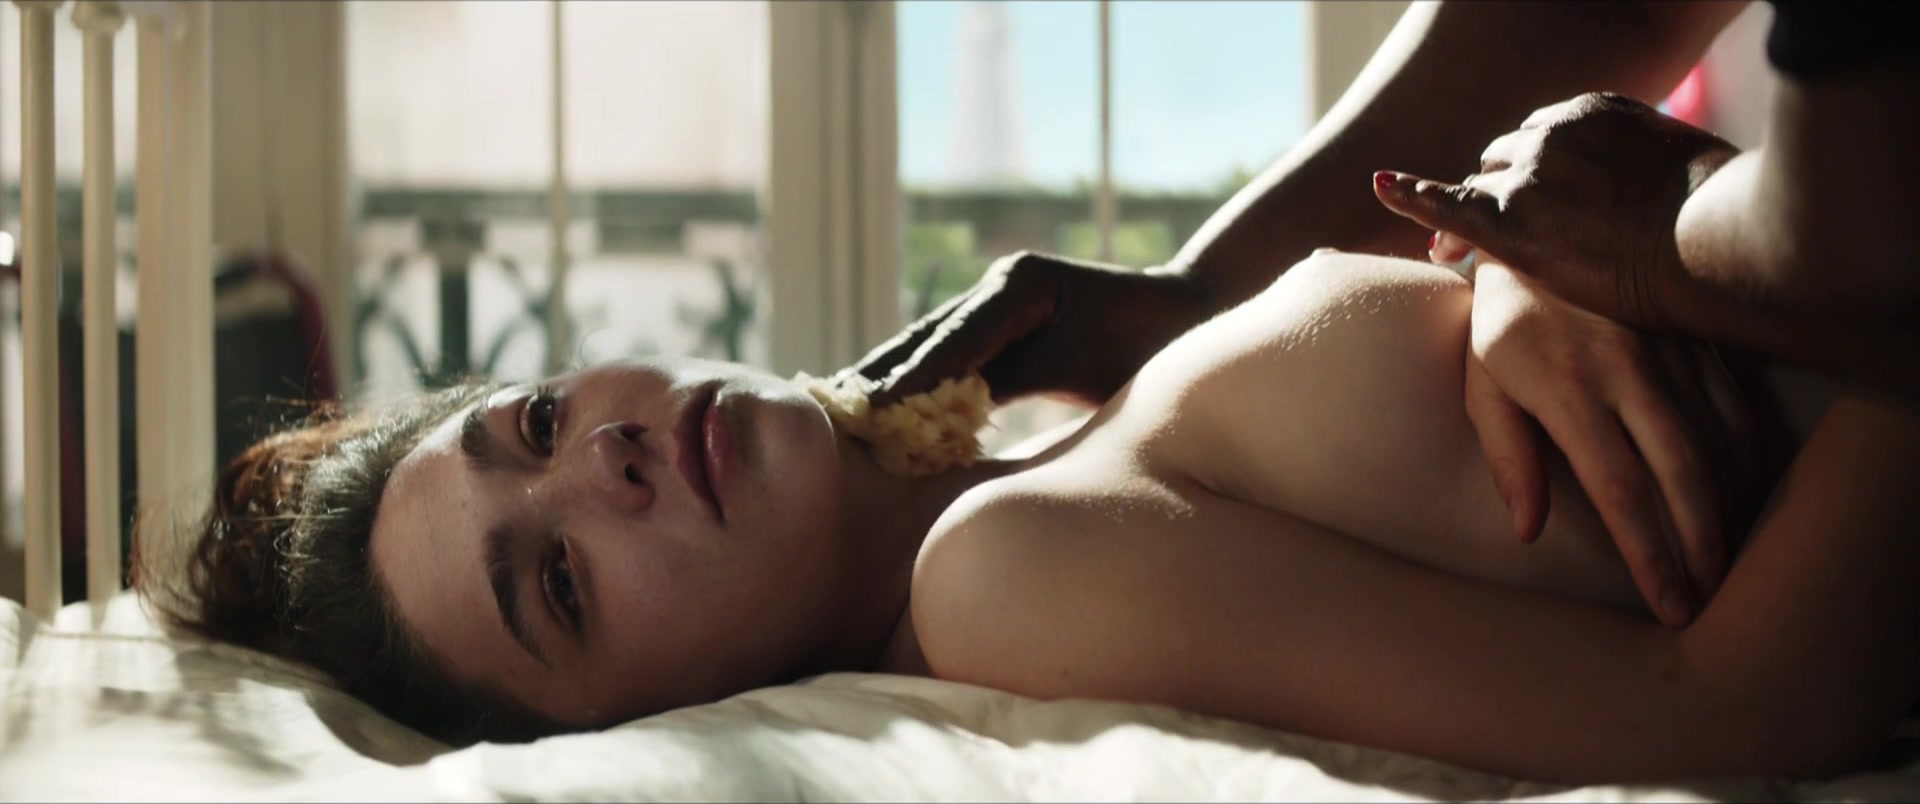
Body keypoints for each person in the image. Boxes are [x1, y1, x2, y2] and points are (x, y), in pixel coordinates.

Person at [134, 253, 1918, 784]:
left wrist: (1540, 257)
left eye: (529, 421)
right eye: (559, 584)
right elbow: (1747, 712)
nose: (595, 456)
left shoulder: (1042, 447)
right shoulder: (1004, 582)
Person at [849, 0, 1920, 630]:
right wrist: (1200, 291)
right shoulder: (1004, 573)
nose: (790, 404)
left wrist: (1620, 241)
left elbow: (1872, 234)